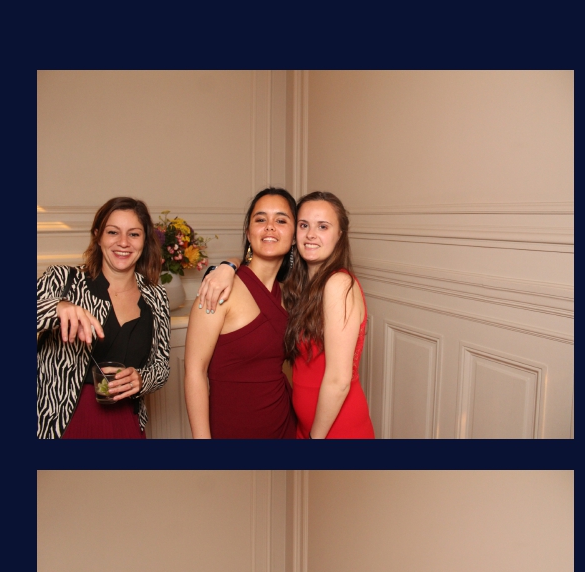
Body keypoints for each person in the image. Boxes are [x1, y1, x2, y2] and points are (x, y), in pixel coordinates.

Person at [37, 197, 171, 439]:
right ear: (98, 236)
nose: (123, 242)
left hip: (127, 421)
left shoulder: (156, 296)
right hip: (64, 424)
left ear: (144, 241)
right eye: (113, 232)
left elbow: (161, 367)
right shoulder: (63, 280)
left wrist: (142, 379)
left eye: (134, 234)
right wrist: (56, 307)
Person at [184, 188, 297, 438]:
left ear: (294, 236)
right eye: (260, 219)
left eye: (281, 220)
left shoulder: (289, 296)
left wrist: (231, 262)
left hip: (283, 424)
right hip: (232, 428)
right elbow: (194, 372)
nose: (270, 226)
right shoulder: (218, 289)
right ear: (248, 232)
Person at [283, 191, 375, 439]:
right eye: (304, 225)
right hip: (309, 428)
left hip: (336, 430)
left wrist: (315, 438)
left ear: (340, 235)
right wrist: (228, 265)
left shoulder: (338, 284)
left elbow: (339, 380)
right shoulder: (304, 285)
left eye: (322, 226)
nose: (311, 234)